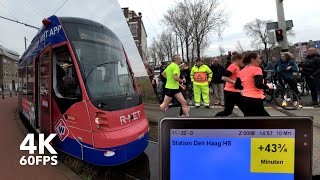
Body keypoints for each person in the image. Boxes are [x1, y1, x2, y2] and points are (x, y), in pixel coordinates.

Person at [215, 51, 244, 116]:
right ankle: (213, 120)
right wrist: (235, 83)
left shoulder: (236, 67)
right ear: (237, 60)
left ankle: (213, 120)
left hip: (233, 91)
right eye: (242, 60)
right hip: (231, 92)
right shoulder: (233, 66)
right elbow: (224, 77)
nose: (243, 61)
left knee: (227, 112)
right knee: (228, 112)